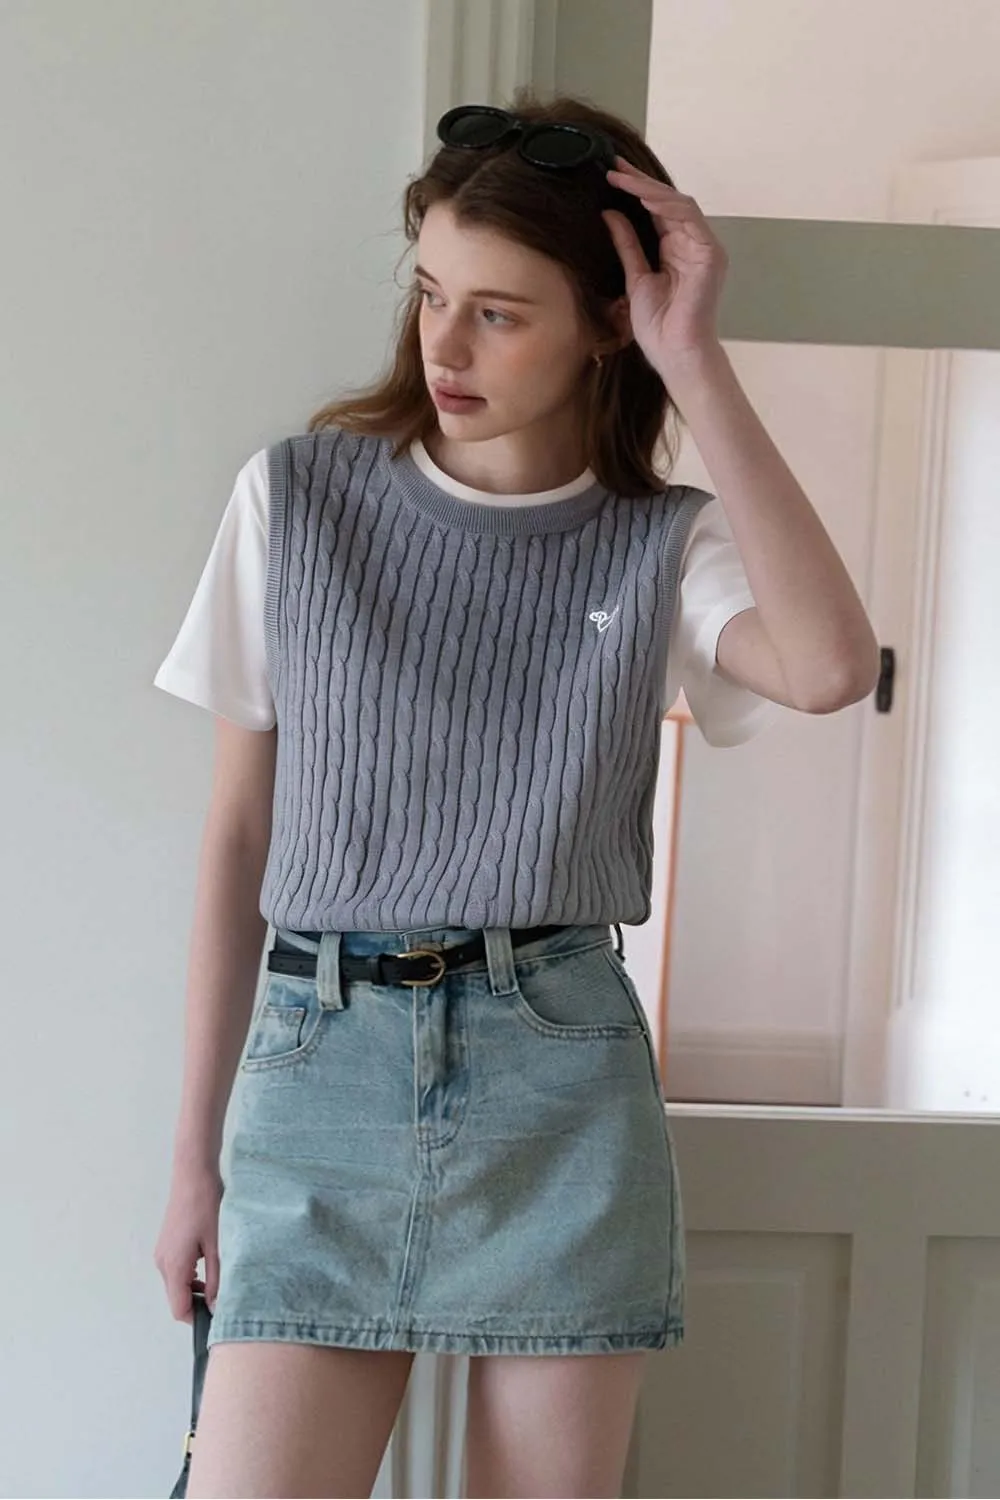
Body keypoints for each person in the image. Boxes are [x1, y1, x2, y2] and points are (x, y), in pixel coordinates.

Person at [152, 90, 879, 1499]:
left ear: (607, 324)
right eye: (431, 293)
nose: (443, 345)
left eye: (499, 313)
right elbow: (238, 839)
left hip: (558, 1073)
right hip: (319, 1070)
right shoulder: (297, 500)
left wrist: (697, 360)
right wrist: (193, 1162)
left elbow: (831, 666)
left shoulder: (662, 546)